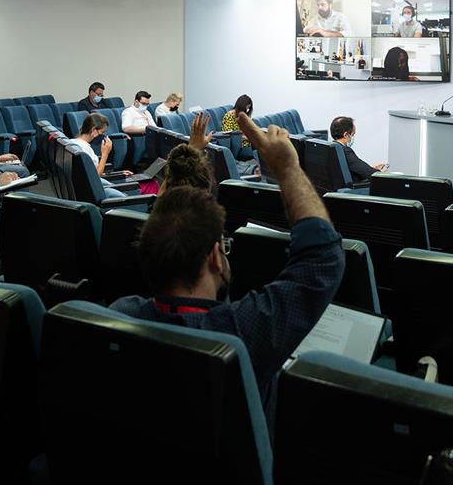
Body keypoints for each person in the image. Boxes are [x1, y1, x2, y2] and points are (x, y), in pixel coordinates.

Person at [110, 111, 344, 422]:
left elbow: (166, 218)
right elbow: (322, 256)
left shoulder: (118, 316)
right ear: (214, 257)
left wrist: (191, 154)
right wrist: (287, 168)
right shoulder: (241, 334)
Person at [70, 112, 131, 199]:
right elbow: (96, 175)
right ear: (94, 130)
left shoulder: (73, 142)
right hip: (91, 190)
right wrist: (105, 153)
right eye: (102, 132)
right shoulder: (84, 149)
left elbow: (88, 172)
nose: (103, 136)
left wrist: (118, 173)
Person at [219, 94, 254, 159]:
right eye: (247, 107)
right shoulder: (229, 116)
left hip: (246, 140)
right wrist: (247, 137)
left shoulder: (242, 116)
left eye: (249, 108)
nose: (247, 110)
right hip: (239, 143)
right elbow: (229, 134)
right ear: (242, 106)